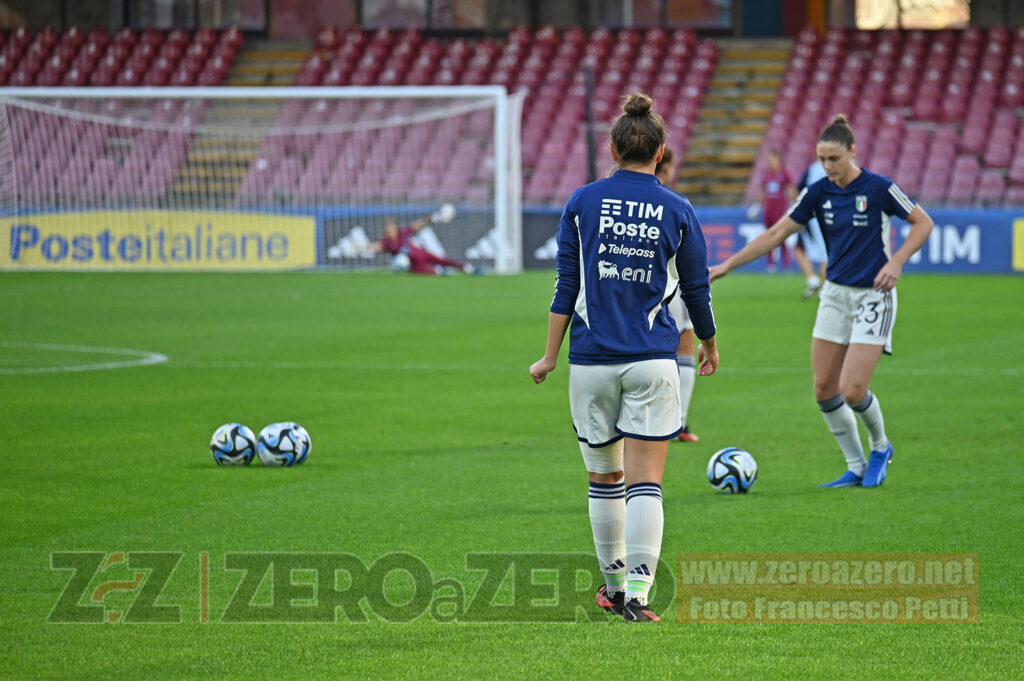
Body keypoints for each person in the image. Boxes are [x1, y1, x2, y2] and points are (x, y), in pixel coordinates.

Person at [529, 93, 719, 622]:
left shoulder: (581, 201)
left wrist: (548, 357)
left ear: (612, 148)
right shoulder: (679, 209)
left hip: (589, 362)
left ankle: (612, 589)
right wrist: (707, 341)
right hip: (653, 361)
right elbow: (697, 288)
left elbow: (566, 286)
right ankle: (638, 594)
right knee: (645, 483)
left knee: (603, 478)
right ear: (660, 154)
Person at [709, 114, 934, 489]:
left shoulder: (879, 188)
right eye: (822, 159)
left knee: (853, 390)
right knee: (823, 389)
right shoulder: (818, 192)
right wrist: (729, 265)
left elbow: (923, 222)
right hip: (834, 295)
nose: (828, 166)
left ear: (852, 152)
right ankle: (856, 466)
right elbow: (779, 232)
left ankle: (881, 447)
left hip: (873, 297)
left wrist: (896, 262)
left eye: (834, 158)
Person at [654, 147, 699, 443]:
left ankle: (661, 422)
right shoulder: (675, 204)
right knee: (685, 344)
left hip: (638, 284)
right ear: (665, 166)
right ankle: (677, 424)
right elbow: (689, 255)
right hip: (671, 283)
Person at [366, 204, 475, 274]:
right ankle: (439, 272)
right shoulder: (388, 243)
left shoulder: (402, 233)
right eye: (387, 229)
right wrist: (364, 247)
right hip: (414, 263)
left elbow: (417, 225)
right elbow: (375, 247)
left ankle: (466, 267)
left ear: (395, 228)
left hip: (421, 254)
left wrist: (434, 217)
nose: (390, 231)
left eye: (391, 228)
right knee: (415, 269)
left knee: (443, 260)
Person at [756, 149, 797, 272]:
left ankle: (786, 264)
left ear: (779, 160)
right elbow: (763, 191)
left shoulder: (785, 173)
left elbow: (791, 188)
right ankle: (770, 264)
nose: (770, 162)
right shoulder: (766, 174)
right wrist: (759, 205)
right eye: (769, 160)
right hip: (769, 209)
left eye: (772, 160)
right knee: (768, 235)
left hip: (780, 209)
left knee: (781, 235)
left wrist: (793, 202)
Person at [793, 159, 829, 299]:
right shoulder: (815, 169)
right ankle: (815, 282)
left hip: (817, 218)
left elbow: (799, 190)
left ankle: (824, 289)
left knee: (825, 255)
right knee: (800, 248)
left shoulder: (814, 169)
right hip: (815, 217)